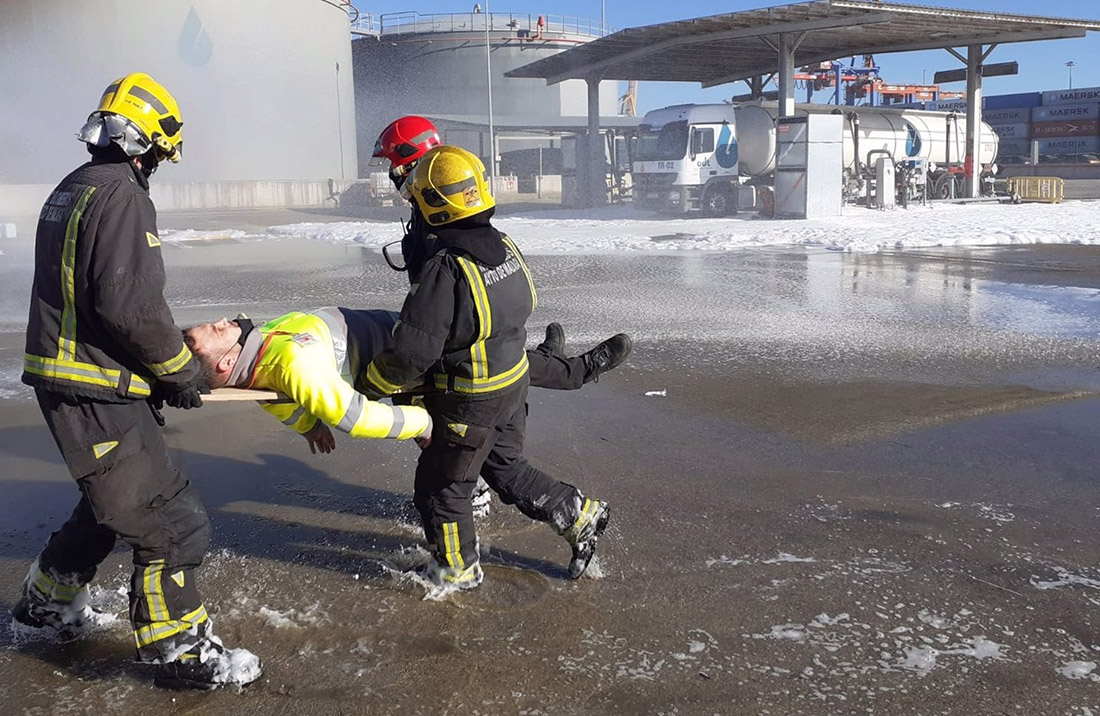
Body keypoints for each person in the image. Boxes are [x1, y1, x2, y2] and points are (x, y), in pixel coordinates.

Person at [13, 73, 260, 691]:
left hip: (79, 380)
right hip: (93, 387)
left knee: (106, 510)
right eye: (159, 152)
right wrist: (180, 371)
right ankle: (181, 654)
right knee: (169, 519)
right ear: (147, 143)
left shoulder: (72, 187)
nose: (157, 164)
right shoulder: (123, 194)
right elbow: (130, 305)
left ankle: (46, 608)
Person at [359, 145, 612, 590]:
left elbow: (414, 353)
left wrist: (369, 383)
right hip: (513, 384)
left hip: (472, 401)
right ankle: (578, 514)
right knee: (505, 468)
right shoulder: (505, 247)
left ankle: (456, 570)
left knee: (444, 489)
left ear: (432, 205)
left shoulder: (446, 269)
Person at [371, 115, 632, 389]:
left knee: (493, 352)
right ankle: (554, 362)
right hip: (451, 329)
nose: (392, 174)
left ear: (409, 160)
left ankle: (579, 370)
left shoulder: (439, 200)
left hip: (460, 338)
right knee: (496, 352)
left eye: (393, 166)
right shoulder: (426, 199)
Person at [182, 310, 624, 458]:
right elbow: (354, 417)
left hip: (389, 340)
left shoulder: (258, 358)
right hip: (399, 359)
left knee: (488, 360)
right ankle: (577, 371)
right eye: (216, 331)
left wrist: (305, 425)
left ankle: (548, 360)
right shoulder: (289, 360)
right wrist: (421, 423)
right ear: (223, 365)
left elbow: (276, 398)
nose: (223, 321)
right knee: (485, 364)